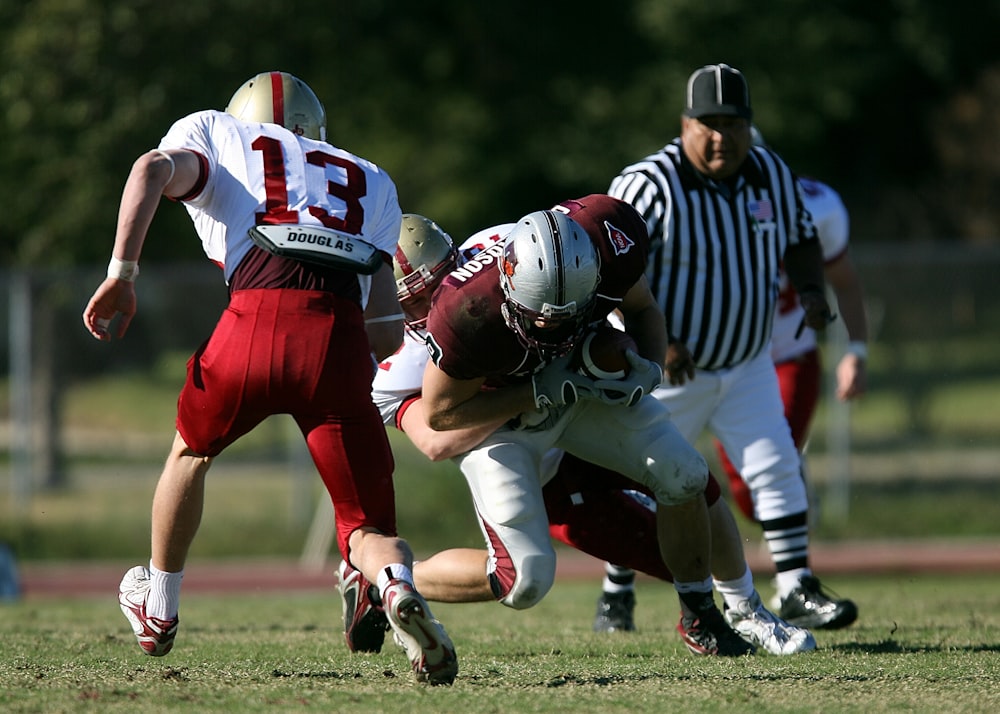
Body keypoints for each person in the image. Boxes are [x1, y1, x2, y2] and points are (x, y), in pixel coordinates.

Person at [81, 71, 457, 684]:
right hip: (337, 337)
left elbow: (150, 168)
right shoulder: (371, 177)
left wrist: (122, 274)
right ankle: (394, 586)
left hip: (252, 319)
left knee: (190, 453)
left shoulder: (220, 134)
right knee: (367, 526)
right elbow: (387, 332)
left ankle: (160, 608)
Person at [344, 207, 815, 656]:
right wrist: (536, 391)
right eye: (416, 300)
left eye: (443, 279)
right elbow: (437, 438)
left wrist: (625, 358)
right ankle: (391, 581)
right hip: (512, 439)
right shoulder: (400, 362)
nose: (437, 299)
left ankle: (742, 611)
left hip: (573, 397)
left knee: (688, 478)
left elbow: (610, 300)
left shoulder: (513, 251)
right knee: (524, 579)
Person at [608, 63, 858, 630]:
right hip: (669, 369)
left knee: (777, 466)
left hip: (747, 362)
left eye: (734, 124)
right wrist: (657, 341)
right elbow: (613, 271)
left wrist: (812, 290)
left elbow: (801, 238)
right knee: (644, 479)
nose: (722, 137)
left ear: (750, 126)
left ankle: (796, 587)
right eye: (710, 124)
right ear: (685, 125)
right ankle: (616, 593)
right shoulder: (649, 184)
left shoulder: (770, 171)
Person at [714, 133, 869, 521]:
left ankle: (794, 546)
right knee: (746, 491)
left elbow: (845, 282)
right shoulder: (684, 206)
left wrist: (856, 351)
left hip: (788, 353)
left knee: (772, 466)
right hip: (725, 362)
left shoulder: (814, 206)